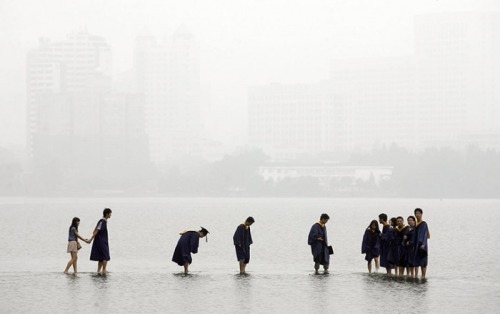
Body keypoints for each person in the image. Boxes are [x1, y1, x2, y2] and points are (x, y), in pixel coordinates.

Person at [89, 208, 112, 274]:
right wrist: (91, 238)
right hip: (101, 240)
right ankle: (104, 270)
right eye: (110, 213)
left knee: (101, 256)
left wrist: (93, 236)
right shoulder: (102, 221)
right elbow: (97, 230)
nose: (111, 215)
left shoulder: (102, 221)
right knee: (105, 255)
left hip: (100, 240)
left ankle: (99, 271)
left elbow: (95, 230)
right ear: (107, 214)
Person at [413, 208, 430, 279]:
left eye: (419, 213)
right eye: (416, 213)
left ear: (421, 214)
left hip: (422, 244)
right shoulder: (415, 224)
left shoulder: (424, 224)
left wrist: (423, 244)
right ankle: (416, 276)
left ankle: (423, 276)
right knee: (416, 261)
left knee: (423, 261)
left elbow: (425, 234)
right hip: (416, 244)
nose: (417, 215)